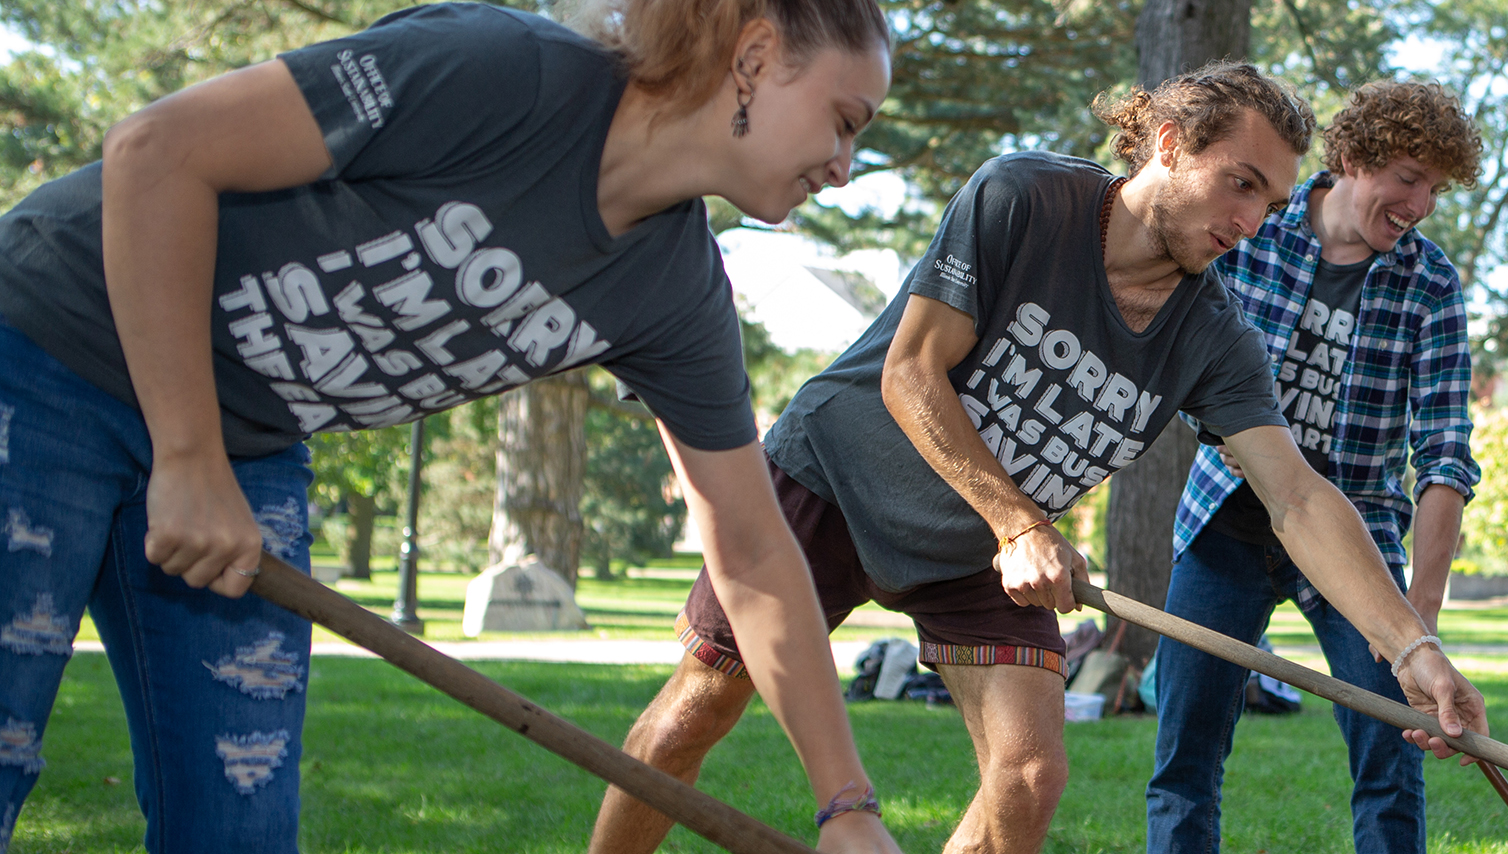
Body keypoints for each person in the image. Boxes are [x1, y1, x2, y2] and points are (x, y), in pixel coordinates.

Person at [0, 1, 903, 850]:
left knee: (238, 818)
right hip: (45, 350)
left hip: (243, 446)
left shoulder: (673, 292)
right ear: (752, 60)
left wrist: (847, 805)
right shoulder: (507, 72)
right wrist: (187, 454)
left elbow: (750, 553)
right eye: (845, 119)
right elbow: (155, 150)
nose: (843, 166)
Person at [593, 62, 1492, 854]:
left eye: (1268, 199)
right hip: (839, 478)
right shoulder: (1025, 196)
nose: (1253, 222)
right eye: (1240, 185)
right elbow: (912, 374)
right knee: (696, 711)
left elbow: (1297, 496)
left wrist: (1413, 649)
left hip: (982, 552)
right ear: (1170, 145)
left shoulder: (1216, 335)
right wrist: (1019, 520)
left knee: (1026, 779)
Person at [1145, 79, 1481, 854]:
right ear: (1355, 158)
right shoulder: (1251, 231)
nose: (1421, 204)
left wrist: (1417, 623)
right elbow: (1176, 351)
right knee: (1185, 758)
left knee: (1393, 758)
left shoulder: (1431, 287)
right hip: (1225, 522)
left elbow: (1443, 455)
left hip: (1353, 540)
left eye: (1435, 187)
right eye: (1408, 178)